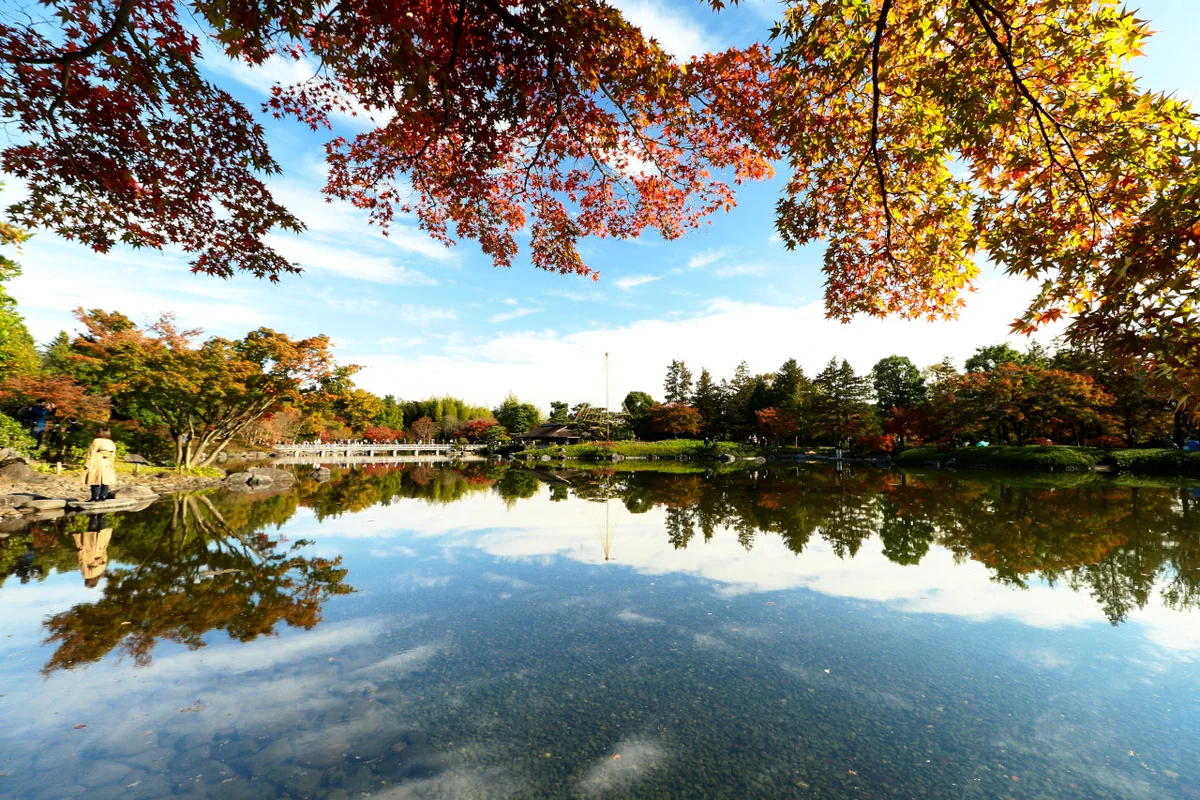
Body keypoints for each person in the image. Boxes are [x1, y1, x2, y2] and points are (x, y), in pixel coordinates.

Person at [74, 514, 112, 588]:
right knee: (91, 534)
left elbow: (105, 559)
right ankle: (94, 515)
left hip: (100, 551)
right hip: (89, 553)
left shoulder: (101, 572)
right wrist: (80, 552)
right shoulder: (87, 575)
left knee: (102, 532)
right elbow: (82, 562)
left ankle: (102, 515)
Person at [82, 427, 118, 501]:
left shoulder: (97, 441)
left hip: (97, 461)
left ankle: (95, 497)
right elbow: (113, 454)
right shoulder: (111, 442)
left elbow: (91, 453)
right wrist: (111, 462)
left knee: (94, 479)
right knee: (105, 480)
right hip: (107, 462)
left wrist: (87, 464)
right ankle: (103, 496)